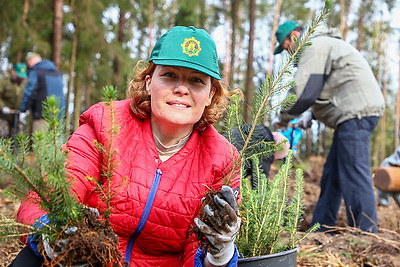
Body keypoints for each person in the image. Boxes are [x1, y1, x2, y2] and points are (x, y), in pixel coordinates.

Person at [11, 26, 241, 267]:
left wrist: (218, 254)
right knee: (29, 260)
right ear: (149, 82)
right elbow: (51, 195)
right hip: (88, 262)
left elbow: (198, 247)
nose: (181, 88)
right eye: (170, 75)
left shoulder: (221, 159)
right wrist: (55, 235)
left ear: (210, 95)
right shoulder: (106, 124)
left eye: (196, 80)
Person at [274, 21, 385, 233]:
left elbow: (304, 90)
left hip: (356, 113)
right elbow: (326, 86)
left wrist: (282, 119)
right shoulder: (323, 44)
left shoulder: (313, 45)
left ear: (295, 36)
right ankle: (322, 227)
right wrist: (311, 114)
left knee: (354, 171)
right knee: (332, 174)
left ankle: (366, 233)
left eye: (286, 45)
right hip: (353, 113)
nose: (288, 52)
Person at [229, 123, 289, 188]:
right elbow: (259, 182)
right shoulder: (265, 149)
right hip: (230, 168)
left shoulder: (258, 131)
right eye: (278, 159)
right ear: (277, 151)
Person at [19, 52, 65, 133]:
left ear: (30, 62)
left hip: (41, 115)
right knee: (55, 143)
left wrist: (23, 110)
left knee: (40, 143)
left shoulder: (35, 72)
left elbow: (29, 92)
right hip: (58, 116)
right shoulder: (57, 73)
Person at [0, 63, 28, 137]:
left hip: (18, 116)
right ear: (13, 72)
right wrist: (2, 107)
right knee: (3, 136)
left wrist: (26, 110)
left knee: (16, 138)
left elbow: (29, 96)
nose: (20, 78)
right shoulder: (4, 81)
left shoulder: (25, 83)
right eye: (18, 75)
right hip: (4, 116)